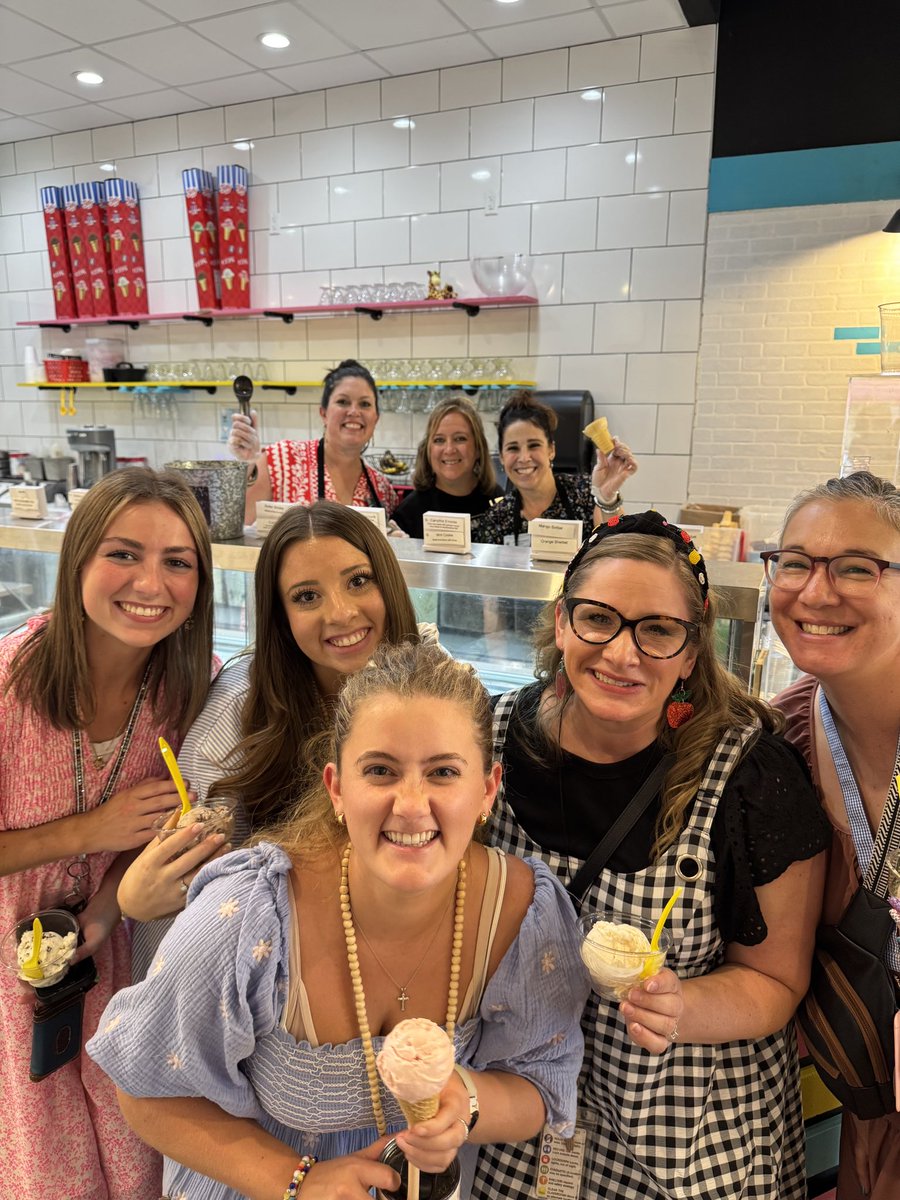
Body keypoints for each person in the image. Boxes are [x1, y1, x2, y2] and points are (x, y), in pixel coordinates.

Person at [87, 642, 589, 1200]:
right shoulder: (246, 917)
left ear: (487, 790)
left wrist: (468, 1101)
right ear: (337, 789)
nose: (411, 805)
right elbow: (145, 1092)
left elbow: (538, 1086)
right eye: (380, 770)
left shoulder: (524, 913)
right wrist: (297, 1181)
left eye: (443, 772)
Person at [475, 510, 831, 1199]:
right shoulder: (484, 744)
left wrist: (681, 1005)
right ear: (561, 622)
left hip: (687, 1150)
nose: (622, 653)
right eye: (598, 618)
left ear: (692, 652)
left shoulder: (750, 777)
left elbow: (777, 983)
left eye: (658, 631)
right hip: (522, 1132)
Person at [0, 467, 216, 1200]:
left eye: (177, 561)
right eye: (124, 554)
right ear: (78, 561)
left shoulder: (191, 689)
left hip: (120, 957)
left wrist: (101, 911)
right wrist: (85, 830)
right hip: (8, 972)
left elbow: (161, 834)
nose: (150, 583)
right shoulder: (7, 682)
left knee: (135, 1162)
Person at [119, 500, 425, 980]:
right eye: (307, 596)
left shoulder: (436, 692)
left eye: (358, 581)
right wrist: (145, 897)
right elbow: (188, 900)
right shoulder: (235, 720)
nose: (341, 613)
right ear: (279, 617)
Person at [769, 471, 900, 1200]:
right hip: (870, 1104)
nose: (816, 594)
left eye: (858, 567)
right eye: (795, 562)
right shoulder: (776, 742)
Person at [228, 358, 399, 523]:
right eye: (343, 402)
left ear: (376, 418)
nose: (354, 411)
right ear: (323, 413)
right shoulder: (282, 460)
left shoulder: (383, 490)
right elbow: (241, 523)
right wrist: (246, 465)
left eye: (365, 404)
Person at [469, 390, 638, 545]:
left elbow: (617, 548)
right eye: (513, 448)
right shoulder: (497, 518)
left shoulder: (585, 493)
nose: (524, 458)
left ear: (551, 450)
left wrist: (606, 497)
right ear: (501, 457)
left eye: (534, 445)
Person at [392, 397, 504, 538]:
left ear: (478, 448)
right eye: (439, 440)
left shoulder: (497, 500)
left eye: (460, 439)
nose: (449, 449)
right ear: (428, 450)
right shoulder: (408, 512)